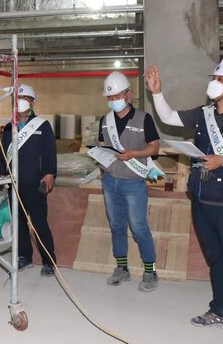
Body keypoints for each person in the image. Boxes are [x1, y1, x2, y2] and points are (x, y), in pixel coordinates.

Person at [145, 59, 223, 343]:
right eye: (215, 76)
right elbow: (169, 118)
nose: (214, 81)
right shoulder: (204, 114)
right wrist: (157, 92)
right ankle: (221, 310)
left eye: (221, 78)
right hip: (202, 198)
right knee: (216, 260)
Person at [97, 72, 161, 292]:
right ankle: (122, 268)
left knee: (139, 226)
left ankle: (150, 271)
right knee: (116, 226)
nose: (113, 100)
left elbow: (154, 147)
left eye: (116, 95)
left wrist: (134, 153)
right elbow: (102, 144)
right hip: (110, 181)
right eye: (110, 97)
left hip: (133, 182)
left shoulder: (144, 119)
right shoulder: (105, 120)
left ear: (128, 94)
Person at [0, 84, 57, 277]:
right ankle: (25, 256)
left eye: (26, 99)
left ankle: (49, 260)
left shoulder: (42, 125)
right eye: (18, 99)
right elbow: (3, 152)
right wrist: (1, 173)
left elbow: (50, 152)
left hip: (35, 182)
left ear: (33, 102)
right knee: (19, 222)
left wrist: (50, 173)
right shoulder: (8, 127)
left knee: (39, 222)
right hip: (14, 183)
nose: (21, 102)